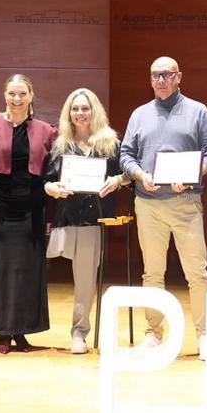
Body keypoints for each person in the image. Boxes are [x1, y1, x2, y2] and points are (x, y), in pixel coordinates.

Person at [119, 56, 207, 359]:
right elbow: (126, 156)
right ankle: (153, 333)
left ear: (179, 77)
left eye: (167, 74)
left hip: (186, 204)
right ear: (150, 80)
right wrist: (139, 175)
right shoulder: (139, 115)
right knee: (152, 274)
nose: (161, 80)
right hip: (148, 205)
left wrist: (193, 176)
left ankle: (204, 336)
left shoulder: (197, 111)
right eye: (155, 75)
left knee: (197, 273)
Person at [0, 74, 57, 354]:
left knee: (28, 271)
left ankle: (23, 332)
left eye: (22, 94)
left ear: (31, 96)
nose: (17, 99)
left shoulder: (47, 130)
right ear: (4, 95)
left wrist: (49, 218)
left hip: (32, 206)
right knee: (1, 269)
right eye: (12, 94)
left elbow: (51, 175)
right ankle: (4, 333)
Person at [44, 88, 128, 354]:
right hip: (66, 218)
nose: (80, 114)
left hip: (95, 219)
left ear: (95, 111)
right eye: (75, 109)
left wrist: (118, 181)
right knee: (69, 277)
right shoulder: (60, 144)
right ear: (68, 113)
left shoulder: (111, 143)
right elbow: (46, 179)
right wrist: (51, 188)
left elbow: (126, 175)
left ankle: (80, 332)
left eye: (85, 108)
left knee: (85, 281)